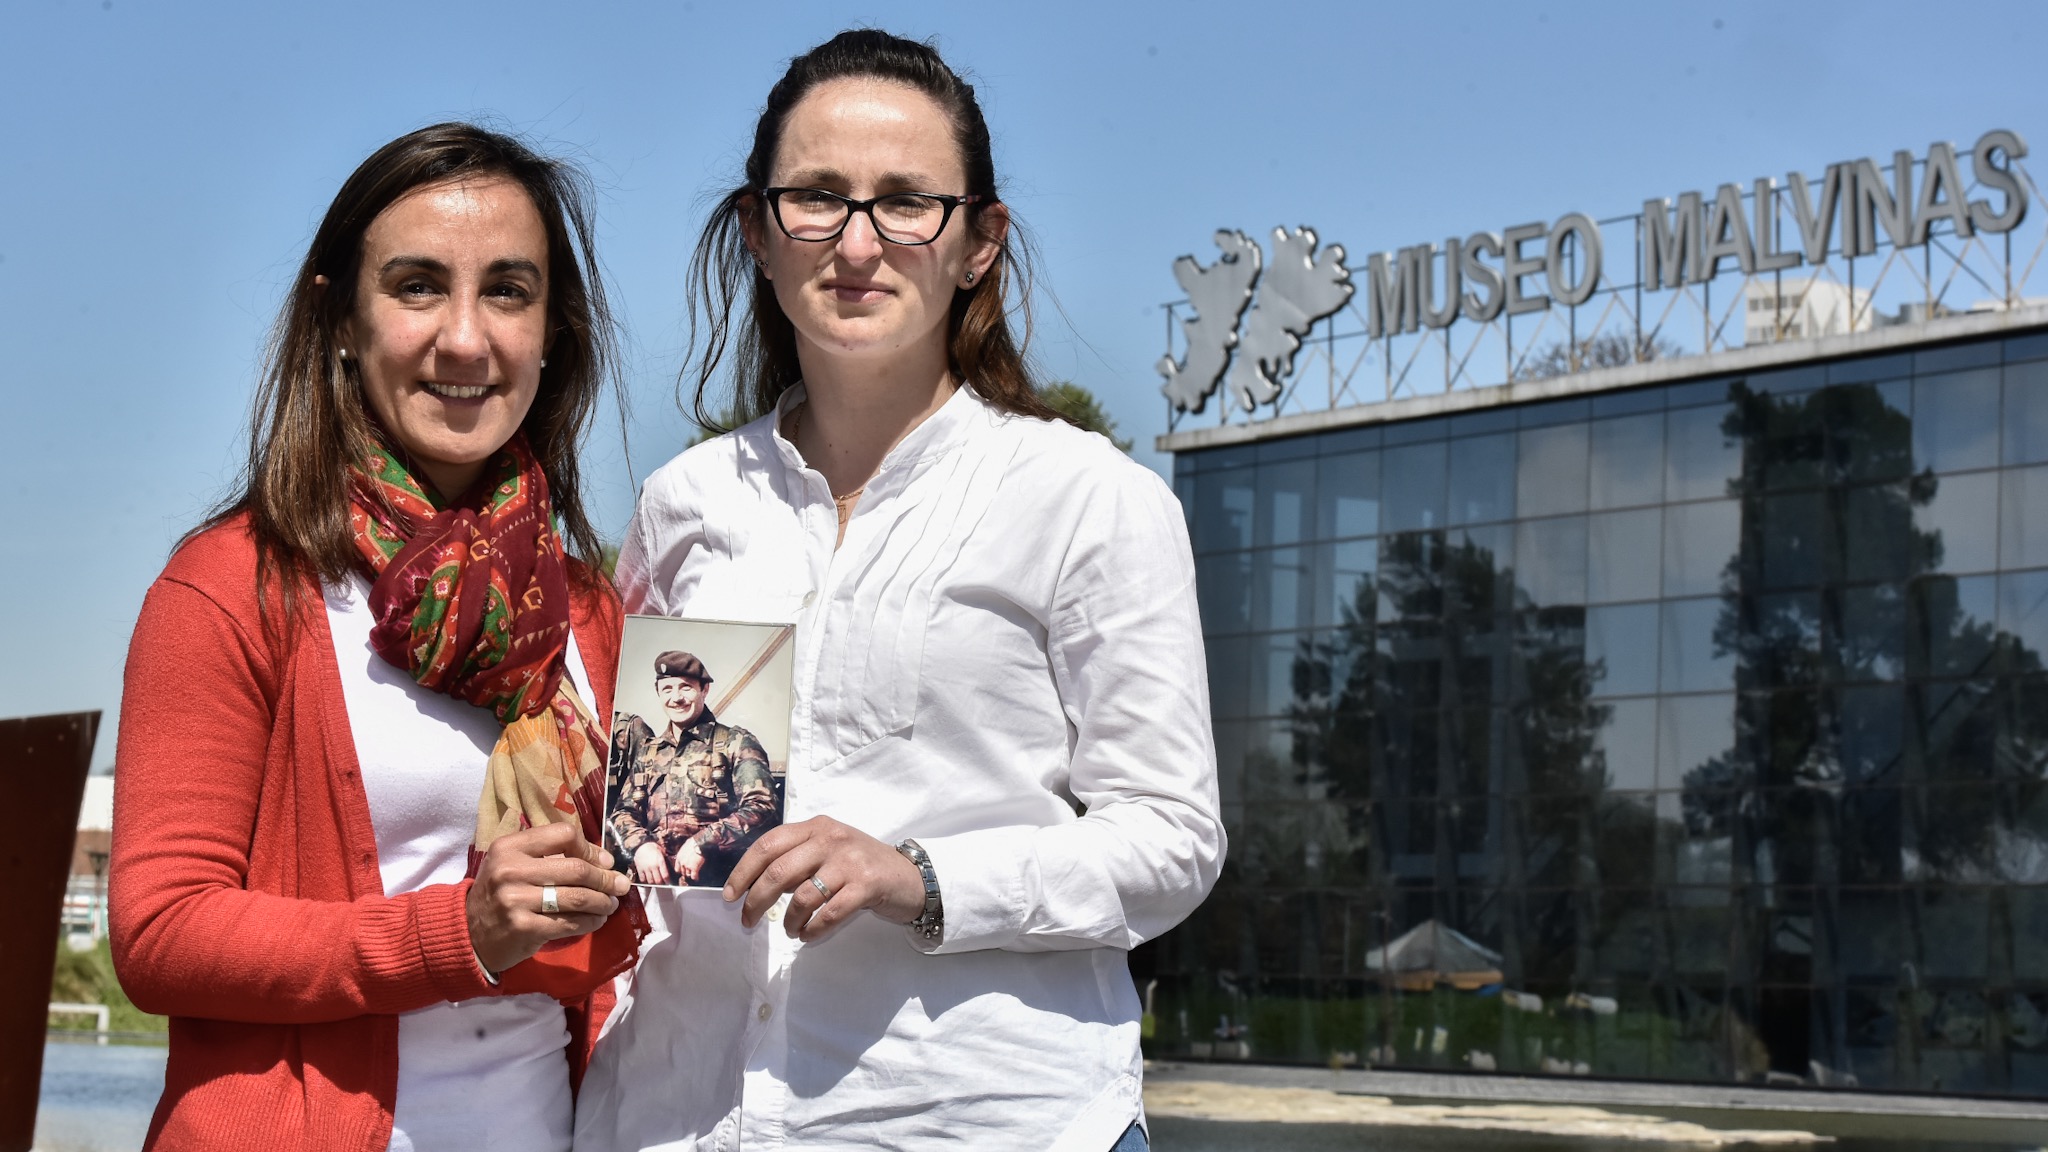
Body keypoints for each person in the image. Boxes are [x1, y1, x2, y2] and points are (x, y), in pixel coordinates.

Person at [576, 30, 1224, 1152]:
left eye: (908, 203)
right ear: (758, 234)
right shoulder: (682, 502)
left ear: (979, 243)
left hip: (980, 1119)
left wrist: (918, 877)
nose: (858, 242)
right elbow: (643, 797)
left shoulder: (1087, 497)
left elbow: (1171, 841)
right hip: (683, 1114)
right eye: (817, 197)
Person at [109, 123, 641, 1152]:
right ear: (341, 320)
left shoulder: (587, 608)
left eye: (508, 291)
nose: (465, 338)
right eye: (417, 286)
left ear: (554, 333)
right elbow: (159, 931)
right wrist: (457, 932)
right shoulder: (232, 586)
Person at [608, 650, 778, 886]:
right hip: (656, 887)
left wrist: (704, 842)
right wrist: (641, 846)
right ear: (658, 693)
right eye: (667, 689)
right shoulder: (648, 751)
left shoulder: (735, 742)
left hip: (717, 885)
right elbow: (622, 813)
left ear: (704, 689)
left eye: (686, 687)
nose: (676, 697)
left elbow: (763, 808)